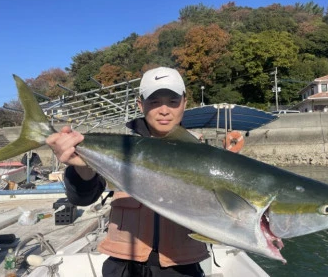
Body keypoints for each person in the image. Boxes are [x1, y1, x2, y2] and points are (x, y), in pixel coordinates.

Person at [46, 67, 209, 277]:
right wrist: (82, 166)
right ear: (140, 105)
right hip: (123, 266)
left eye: (173, 101)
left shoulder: (202, 154)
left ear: (185, 103)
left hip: (182, 267)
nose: (164, 110)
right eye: (154, 101)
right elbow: (83, 197)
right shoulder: (119, 148)